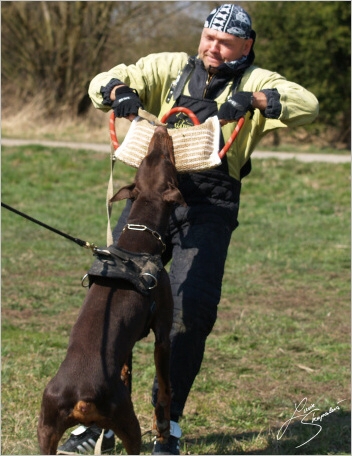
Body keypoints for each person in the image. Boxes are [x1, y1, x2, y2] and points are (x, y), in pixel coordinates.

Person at [58, 4, 318, 455]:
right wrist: (119, 90)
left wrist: (254, 101)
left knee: (190, 311)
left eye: (225, 42)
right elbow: (101, 82)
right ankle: (98, 416)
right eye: (208, 37)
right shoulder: (169, 68)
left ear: (246, 46)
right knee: (115, 296)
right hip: (150, 198)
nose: (212, 48)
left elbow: (307, 105)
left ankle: (167, 423)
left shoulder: (258, 80)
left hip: (211, 206)